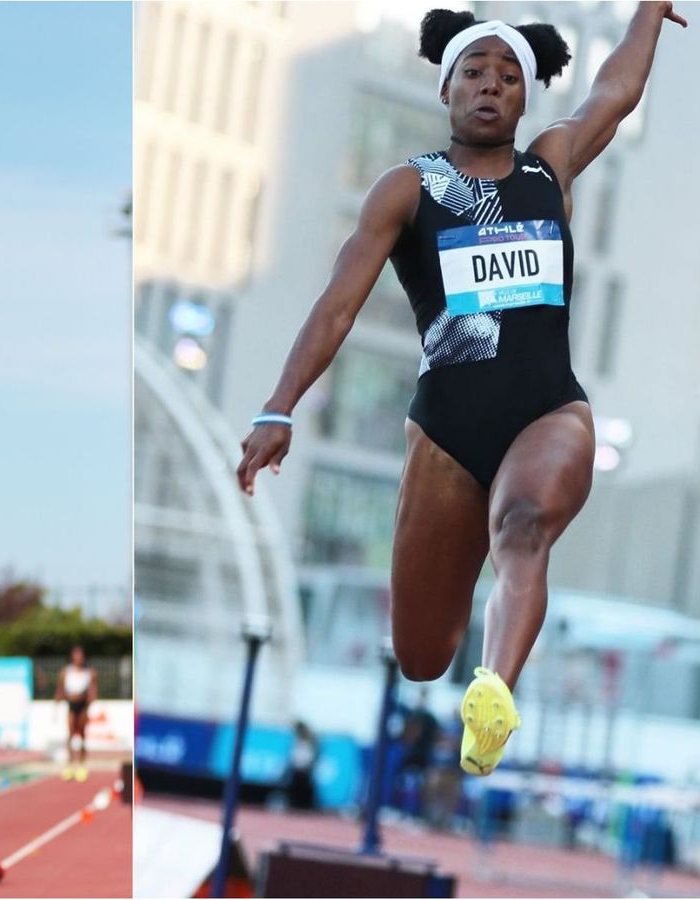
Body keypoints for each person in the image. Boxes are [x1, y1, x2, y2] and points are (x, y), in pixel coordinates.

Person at [237, 3, 685, 776]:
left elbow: (614, 91)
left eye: (509, 77)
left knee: (524, 527)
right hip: (447, 434)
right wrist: (279, 406)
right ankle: (458, 671)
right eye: (474, 73)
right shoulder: (409, 189)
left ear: (524, 98)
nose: (490, 87)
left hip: (549, 409)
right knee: (419, 652)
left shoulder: (551, 164)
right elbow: (338, 304)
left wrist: (648, 10)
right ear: (446, 90)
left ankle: (495, 697)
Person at [55, 645, 98, 781]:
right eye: (76, 655)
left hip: (83, 705)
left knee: (82, 735)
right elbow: (60, 690)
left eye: (80, 655)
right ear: (72, 656)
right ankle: (69, 766)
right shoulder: (65, 672)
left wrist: (89, 703)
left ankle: (82, 765)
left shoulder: (89, 672)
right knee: (70, 734)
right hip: (71, 705)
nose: (78, 658)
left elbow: (93, 691)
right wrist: (57, 703)